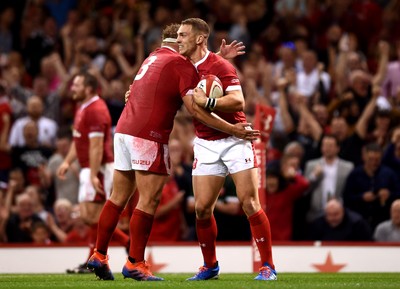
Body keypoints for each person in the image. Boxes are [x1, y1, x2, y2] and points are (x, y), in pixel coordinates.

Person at [86, 23, 259, 281]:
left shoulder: (153, 57)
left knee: (118, 197)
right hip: (148, 135)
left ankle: (99, 254)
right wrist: (234, 130)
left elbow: (146, 88)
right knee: (149, 200)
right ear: (178, 42)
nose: (183, 42)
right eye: (181, 38)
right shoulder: (180, 64)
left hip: (122, 130)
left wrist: (218, 58)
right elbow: (197, 111)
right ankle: (135, 262)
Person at [177, 18, 276, 281]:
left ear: (199, 39)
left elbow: (238, 101)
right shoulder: (183, 68)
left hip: (235, 142)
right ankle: (210, 266)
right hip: (206, 143)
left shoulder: (220, 65)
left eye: (183, 35)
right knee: (201, 209)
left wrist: (209, 100)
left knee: (249, 202)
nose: (178, 40)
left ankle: (267, 265)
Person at [56, 71, 129, 275]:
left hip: (98, 168)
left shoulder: (96, 110)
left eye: (76, 85)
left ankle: (107, 253)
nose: (72, 89)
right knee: (91, 217)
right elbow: (79, 139)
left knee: (92, 216)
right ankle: (99, 258)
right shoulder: (83, 107)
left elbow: (96, 147)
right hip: (89, 167)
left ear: (88, 88)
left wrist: (94, 174)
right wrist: (67, 161)